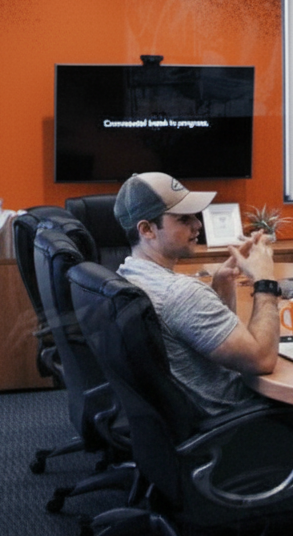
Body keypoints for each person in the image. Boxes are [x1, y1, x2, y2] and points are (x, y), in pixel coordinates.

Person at [113, 171, 280, 416]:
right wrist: (265, 280)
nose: (198, 224)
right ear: (147, 229)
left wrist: (220, 287)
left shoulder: (127, 274)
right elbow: (262, 360)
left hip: (183, 421)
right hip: (237, 420)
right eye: (183, 219)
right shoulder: (180, 294)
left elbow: (206, 341)